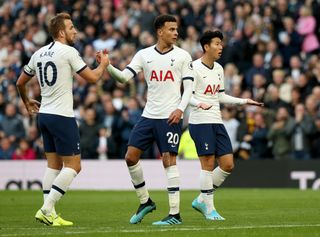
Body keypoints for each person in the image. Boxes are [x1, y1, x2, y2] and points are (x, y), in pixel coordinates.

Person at [16, 12, 109, 226]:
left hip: (45, 116)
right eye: (71, 27)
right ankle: (47, 208)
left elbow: (20, 83)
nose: (75, 31)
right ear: (61, 32)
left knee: (53, 166)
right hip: (62, 116)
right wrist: (103, 64)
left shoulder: (38, 53)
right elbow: (93, 78)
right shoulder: (69, 52)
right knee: (74, 166)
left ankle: (51, 213)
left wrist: (27, 102)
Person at [103, 14, 194, 225]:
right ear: (159, 31)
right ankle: (145, 202)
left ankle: (174, 214)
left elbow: (189, 87)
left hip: (170, 116)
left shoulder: (183, 56)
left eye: (176, 29)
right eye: (171, 29)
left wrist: (180, 109)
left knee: (168, 160)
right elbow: (124, 78)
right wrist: (107, 66)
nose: (175, 33)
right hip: (148, 115)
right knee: (130, 157)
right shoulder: (144, 55)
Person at [188, 31, 263, 220]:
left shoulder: (219, 69)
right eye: (217, 43)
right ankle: (210, 209)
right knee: (207, 164)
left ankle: (200, 199)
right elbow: (186, 95)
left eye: (221, 44)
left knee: (228, 165)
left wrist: (244, 101)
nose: (221, 47)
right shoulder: (193, 68)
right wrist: (199, 104)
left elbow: (220, 96)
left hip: (216, 120)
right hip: (200, 121)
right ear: (206, 47)